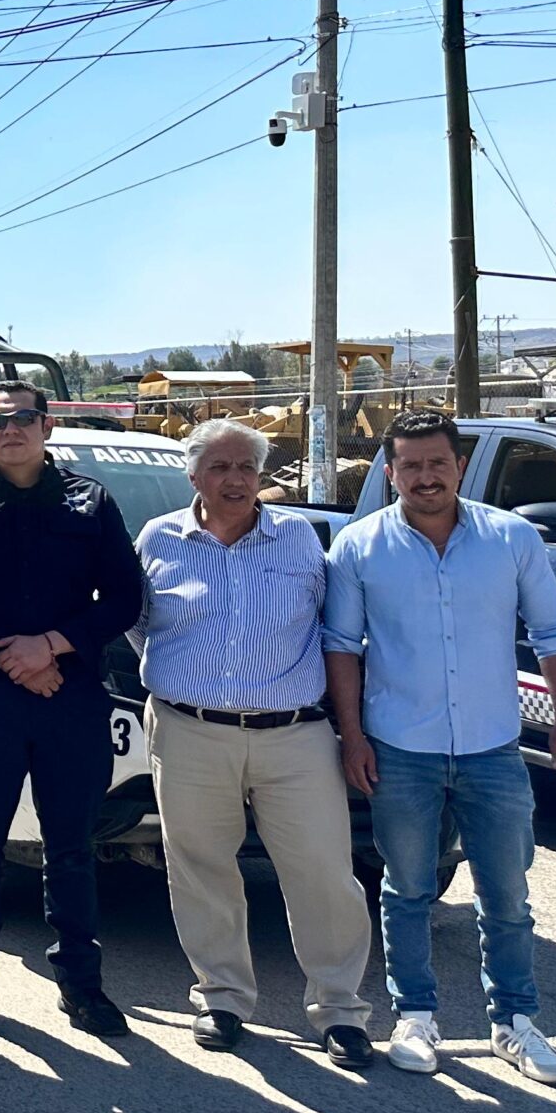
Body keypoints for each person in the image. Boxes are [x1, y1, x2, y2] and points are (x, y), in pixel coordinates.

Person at [323, 408, 556, 1085]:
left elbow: (554, 634)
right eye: (409, 465)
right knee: (407, 888)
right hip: (399, 746)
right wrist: (353, 736)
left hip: (492, 748)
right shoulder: (358, 546)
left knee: (506, 894)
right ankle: (415, 1016)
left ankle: (516, 1023)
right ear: (390, 470)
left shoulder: (511, 539)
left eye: (437, 462)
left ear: (459, 466)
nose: (424, 477)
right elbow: (340, 648)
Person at [135, 419, 373, 1067]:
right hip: (189, 731)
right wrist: (177, 683)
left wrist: (350, 730)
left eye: (246, 467)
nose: (235, 479)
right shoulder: (159, 539)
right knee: (201, 868)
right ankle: (222, 998)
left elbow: (336, 633)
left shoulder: (300, 539)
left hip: (292, 736)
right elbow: (136, 623)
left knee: (324, 872)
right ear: (193, 477)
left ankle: (340, 1011)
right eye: (219, 467)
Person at [0, 380, 142, 1037]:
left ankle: (82, 985)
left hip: (71, 694)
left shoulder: (88, 501)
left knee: (71, 846)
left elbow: (123, 597)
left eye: (24, 418)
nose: (11, 429)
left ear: (47, 428)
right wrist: (15, 658)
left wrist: (51, 647)